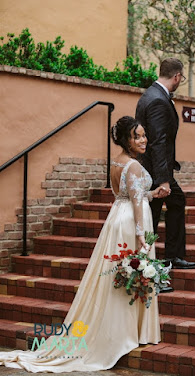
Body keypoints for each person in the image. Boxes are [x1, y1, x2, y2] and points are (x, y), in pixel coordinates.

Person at [0, 116, 161, 373]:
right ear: (126, 140)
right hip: (132, 223)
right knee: (131, 270)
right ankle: (127, 331)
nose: (143, 140)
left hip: (117, 219)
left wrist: (153, 194)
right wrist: (141, 236)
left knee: (117, 273)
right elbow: (135, 202)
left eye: (143, 135)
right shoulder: (132, 167)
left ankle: (132, 327)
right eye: (137, 136)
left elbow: (125, 195)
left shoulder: (116, 164)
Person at [136, 57, 195, 273]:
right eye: (181, 77)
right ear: (177, 76)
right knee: (154, 213)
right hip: (155, 171)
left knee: (174, 203)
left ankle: (168, 257)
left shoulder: (151, 94)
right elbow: (159, 141)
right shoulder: (158, 100)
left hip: (153, 168)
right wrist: (163, 179)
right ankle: (150, 264)